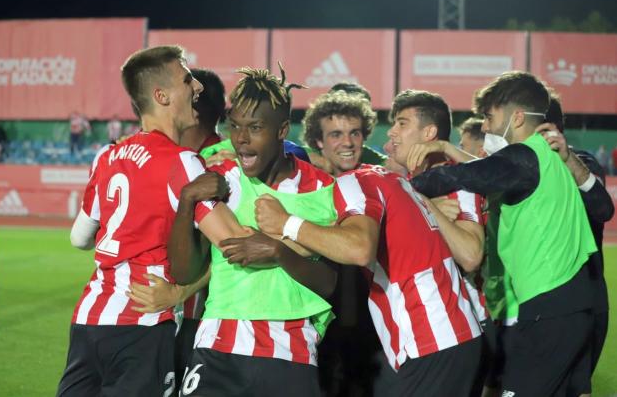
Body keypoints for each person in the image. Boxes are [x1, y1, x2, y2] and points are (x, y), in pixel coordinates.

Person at [56, 46, 250, 397]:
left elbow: (80, 238)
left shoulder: (107, 156)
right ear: (161, 96)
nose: (198, 88)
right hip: (141, 321)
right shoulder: (183, 162)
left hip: (89, 319)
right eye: (186, 79)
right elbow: (233, 243)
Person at [409, 71, 598, 396]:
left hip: (548, 311)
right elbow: (487, 169)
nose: (484, 127)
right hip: (568, 308)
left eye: (489, 116)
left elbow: (468, 176)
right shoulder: (544, 156)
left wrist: (401, 189)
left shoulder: (523, 156)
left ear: (518, 117)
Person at [171, 66, 338, 397]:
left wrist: (278, 251)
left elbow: (329, 283)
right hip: (218, 340)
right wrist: (187, 201)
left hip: (290, 345)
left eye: (255, 128)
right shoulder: (222, 181)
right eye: (235, 126)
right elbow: (183, 270)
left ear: (282, 131)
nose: (241, 139)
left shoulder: (323, 190)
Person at [247, 163, 483, 396]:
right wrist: (274, 245)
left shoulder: (354, 181)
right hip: (452, 334)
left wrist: (287, 221)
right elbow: (329, 239)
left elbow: (359, 248)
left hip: (431, 337)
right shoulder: (387, 180)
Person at [300, 91, 383, 395]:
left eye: (354, 133)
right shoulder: (305, 185)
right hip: (316, 315)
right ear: (319, 142)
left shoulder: (380, 181)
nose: (347, 143)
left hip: (372, 319)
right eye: (335, 134)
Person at [540, 93, 614, 395]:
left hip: (581, 303)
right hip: (537, 303)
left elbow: (602, 208)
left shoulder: (582, 162)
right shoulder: (521, 164)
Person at [173, 67, 227, 389]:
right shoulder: (219, 158)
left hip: (198, 317)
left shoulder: (213, 166)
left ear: (193, 109)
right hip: (191, 314)